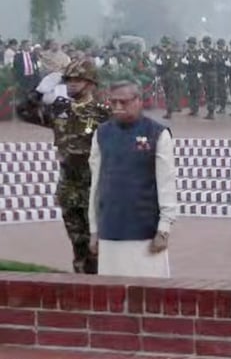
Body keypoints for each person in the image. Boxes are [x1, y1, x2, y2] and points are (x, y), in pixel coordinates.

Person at [15, 58, 112, 274]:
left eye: (78, 80)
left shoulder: (103, 112)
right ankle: (82, 286)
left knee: (98, 245)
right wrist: (38, 93)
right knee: (78, 244)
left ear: (91, 83)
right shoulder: (60, 110)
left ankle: (102, 289)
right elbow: (23, 112)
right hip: (69, 186)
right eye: (68, 80)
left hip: (94, 185)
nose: (71, 84)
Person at [88, 80, 177, 278]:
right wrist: (94, 229)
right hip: (110, 228)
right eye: (113, 103)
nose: (118, 107)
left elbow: (166, 183)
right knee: (113, 295)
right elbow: (96, 185)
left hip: (145, 230)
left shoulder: (158, 133)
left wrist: (164, 228)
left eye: (124, 102)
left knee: (150, 296)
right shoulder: (102, 133)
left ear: (139, 101)